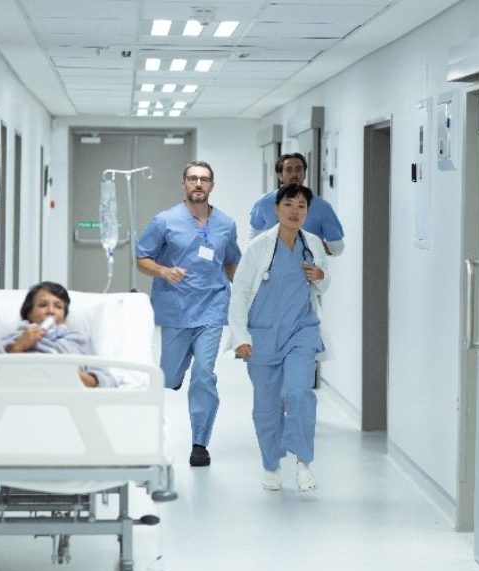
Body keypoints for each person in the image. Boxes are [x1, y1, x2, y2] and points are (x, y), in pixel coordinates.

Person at [135, 161, 241, 467]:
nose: (198, 184)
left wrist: (250, 297)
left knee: (205, 374)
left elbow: (232, 261)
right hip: (176, 308)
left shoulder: (225, 224)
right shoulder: (164, 221)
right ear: (184, 184)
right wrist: (163, 271)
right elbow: (142, 258)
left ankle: (200, 443)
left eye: (204, 179)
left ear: (211, 185)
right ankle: (176, 373)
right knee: (168, 375)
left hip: (212, 306)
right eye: (193, 178)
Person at [229, 183, 330, 492]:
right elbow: (240, 292)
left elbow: (321, 286)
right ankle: (271, 465)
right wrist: (239, 337)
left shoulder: (312, 243)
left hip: (302, 330)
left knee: (299, 392)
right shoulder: (259, 247)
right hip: (262, 335)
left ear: (307, 212)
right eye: (289, 204)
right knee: (267, 407)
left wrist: (321, 277)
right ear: (276, 209)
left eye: (301, 205)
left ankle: (303, 463)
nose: (295, 211)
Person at [0, 281, 115, 388]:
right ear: (28, 313)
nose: (50, 311)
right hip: (24, 394)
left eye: (58, 306)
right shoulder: (15, 338)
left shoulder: (79, 340)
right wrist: (17, 347)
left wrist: (76, 377)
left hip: (70, 398)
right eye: (42, 305)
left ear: (64, 316)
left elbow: (107, 381)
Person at [248, 153, 345, 255]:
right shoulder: (265, 202)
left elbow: (338, 246)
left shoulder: (321, 207)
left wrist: (315, 245)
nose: (294, 174)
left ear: (304, 174)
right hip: (271, 268)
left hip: (307, 268)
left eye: (298, 169)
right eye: (289, 170)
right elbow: (253, 234)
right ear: (280, 176)